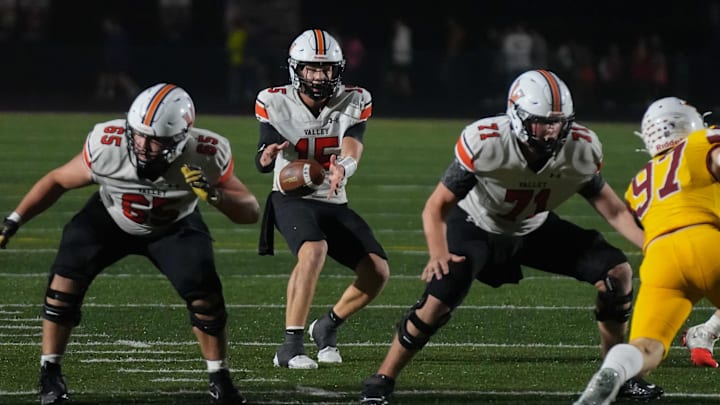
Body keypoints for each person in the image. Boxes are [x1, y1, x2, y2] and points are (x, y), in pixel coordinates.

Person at [359, 69, 663, 404]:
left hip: (534, 226)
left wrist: (655, 245)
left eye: (558, 123)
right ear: (516, 116)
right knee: (439, 299)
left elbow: (615, 211)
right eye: (541, 122)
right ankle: (383, 377)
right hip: (477, 223)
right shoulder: (486, 141)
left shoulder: (581, 149)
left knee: (616, 273)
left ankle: (616, 375)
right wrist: (438, 252)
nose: (551, 131)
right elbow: (436, 206)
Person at [0, 83, 260, 405]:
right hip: (110, 218)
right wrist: (14, 220)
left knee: (206, 299)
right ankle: (49, 372)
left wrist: (216, 196)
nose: (143, 145)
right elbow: (57, 180)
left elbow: (250, 211)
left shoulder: (205, 153)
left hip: (174, 226)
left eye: (155, 140)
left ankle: (219, 377)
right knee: (62, 287)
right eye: (138, 134)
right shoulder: (108, 145)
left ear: (181, 138)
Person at [254, 28, 390, 369]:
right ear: (296, 69)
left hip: (332, 197)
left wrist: (343, 167)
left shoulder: (356, 98)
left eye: (326, 69)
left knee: (377, 271)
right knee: (314, 249)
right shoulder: (273, 100)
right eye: (311, 69)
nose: (318, 76)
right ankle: (290, 346)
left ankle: (327, 325)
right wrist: (266, 156)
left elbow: (353, 142)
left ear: (337, 69)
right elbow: (263, 149)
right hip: (290, 197)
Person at [575, 97, 720, 404]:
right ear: (690, 123)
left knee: (646, 347)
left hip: (660, 262)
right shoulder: (700, 142)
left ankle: (614, 368)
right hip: (708, 244)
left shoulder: (640, 180)